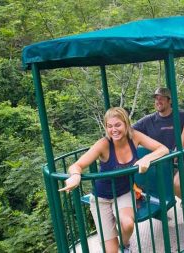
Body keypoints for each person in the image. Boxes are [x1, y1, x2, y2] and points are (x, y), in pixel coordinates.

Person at [59, 107, 169, 253]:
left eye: (117, 125)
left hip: (124, 193)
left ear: (126, 124)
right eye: (109, 126)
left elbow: (163, 149)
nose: (114, 130)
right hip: (101, 199)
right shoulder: (104, 144)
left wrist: (147, 158)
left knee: (128, 224)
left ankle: (124, 244)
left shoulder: (134, 136)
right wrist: (75, 176)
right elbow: (77, 165)